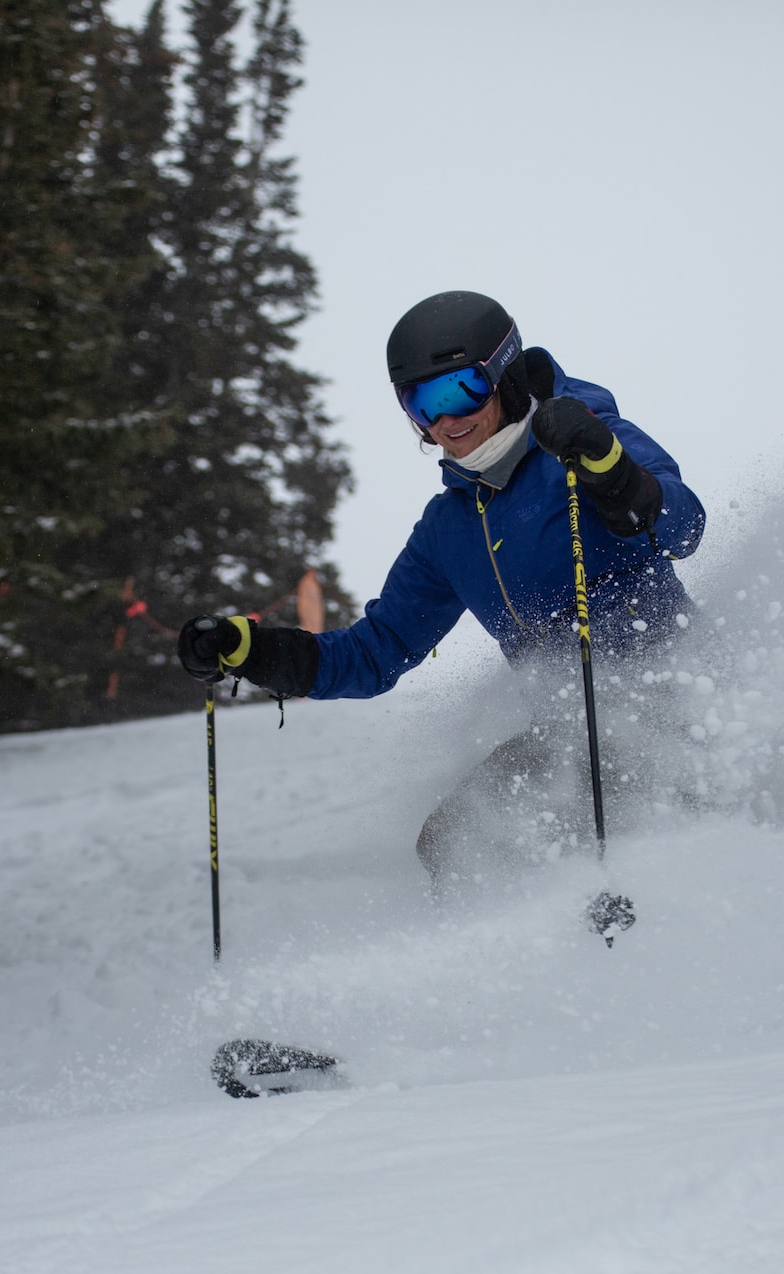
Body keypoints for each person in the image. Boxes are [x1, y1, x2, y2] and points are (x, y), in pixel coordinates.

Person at [178, 290, 707, 890]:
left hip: (678, 704)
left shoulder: (584, 437)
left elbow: (684, 527)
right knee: (456, 841)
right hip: (570, 737)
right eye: (422, 402)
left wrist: (611, 471)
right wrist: (251, 651)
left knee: (650, 827)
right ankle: (519, 966)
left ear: (503, 374)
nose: (446, 421)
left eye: (459, 391)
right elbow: (374, 652)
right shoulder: (449, 529)